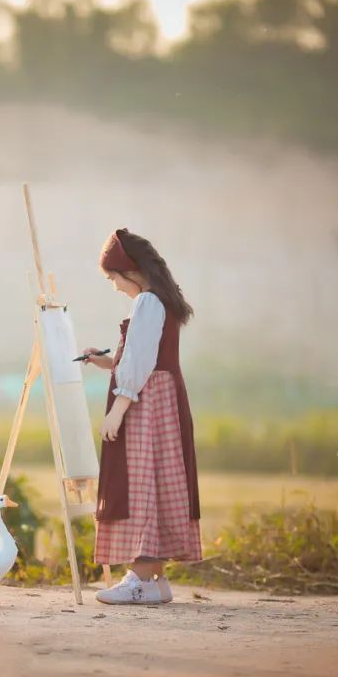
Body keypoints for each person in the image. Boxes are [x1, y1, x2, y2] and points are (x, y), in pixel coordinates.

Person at [81, 228, 202, 605]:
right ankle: (154, 580)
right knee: (157, 480)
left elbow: (140, 362)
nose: (114, 286)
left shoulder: (148, 303)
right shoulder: (157, 301)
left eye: (113, 277)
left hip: (147, 402)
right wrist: (105, 362)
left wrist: (118, 409)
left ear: (130, 271)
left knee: (142, 481)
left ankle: (141, 579)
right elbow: (141, 355)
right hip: (160, 396)